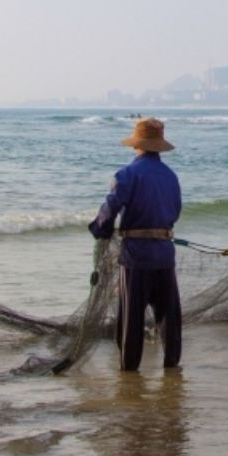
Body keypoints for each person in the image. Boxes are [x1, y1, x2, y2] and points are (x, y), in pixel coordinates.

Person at [89, 117, 183, 372]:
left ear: (137, 145)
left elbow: (110, 209)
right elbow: (175, 212)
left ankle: (129, 373)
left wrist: (100, 229)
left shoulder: (128, 174)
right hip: (164, 253)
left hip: (136, 256)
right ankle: (172, 367)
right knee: (168, 315)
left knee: (131, 317)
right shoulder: (171, 177)